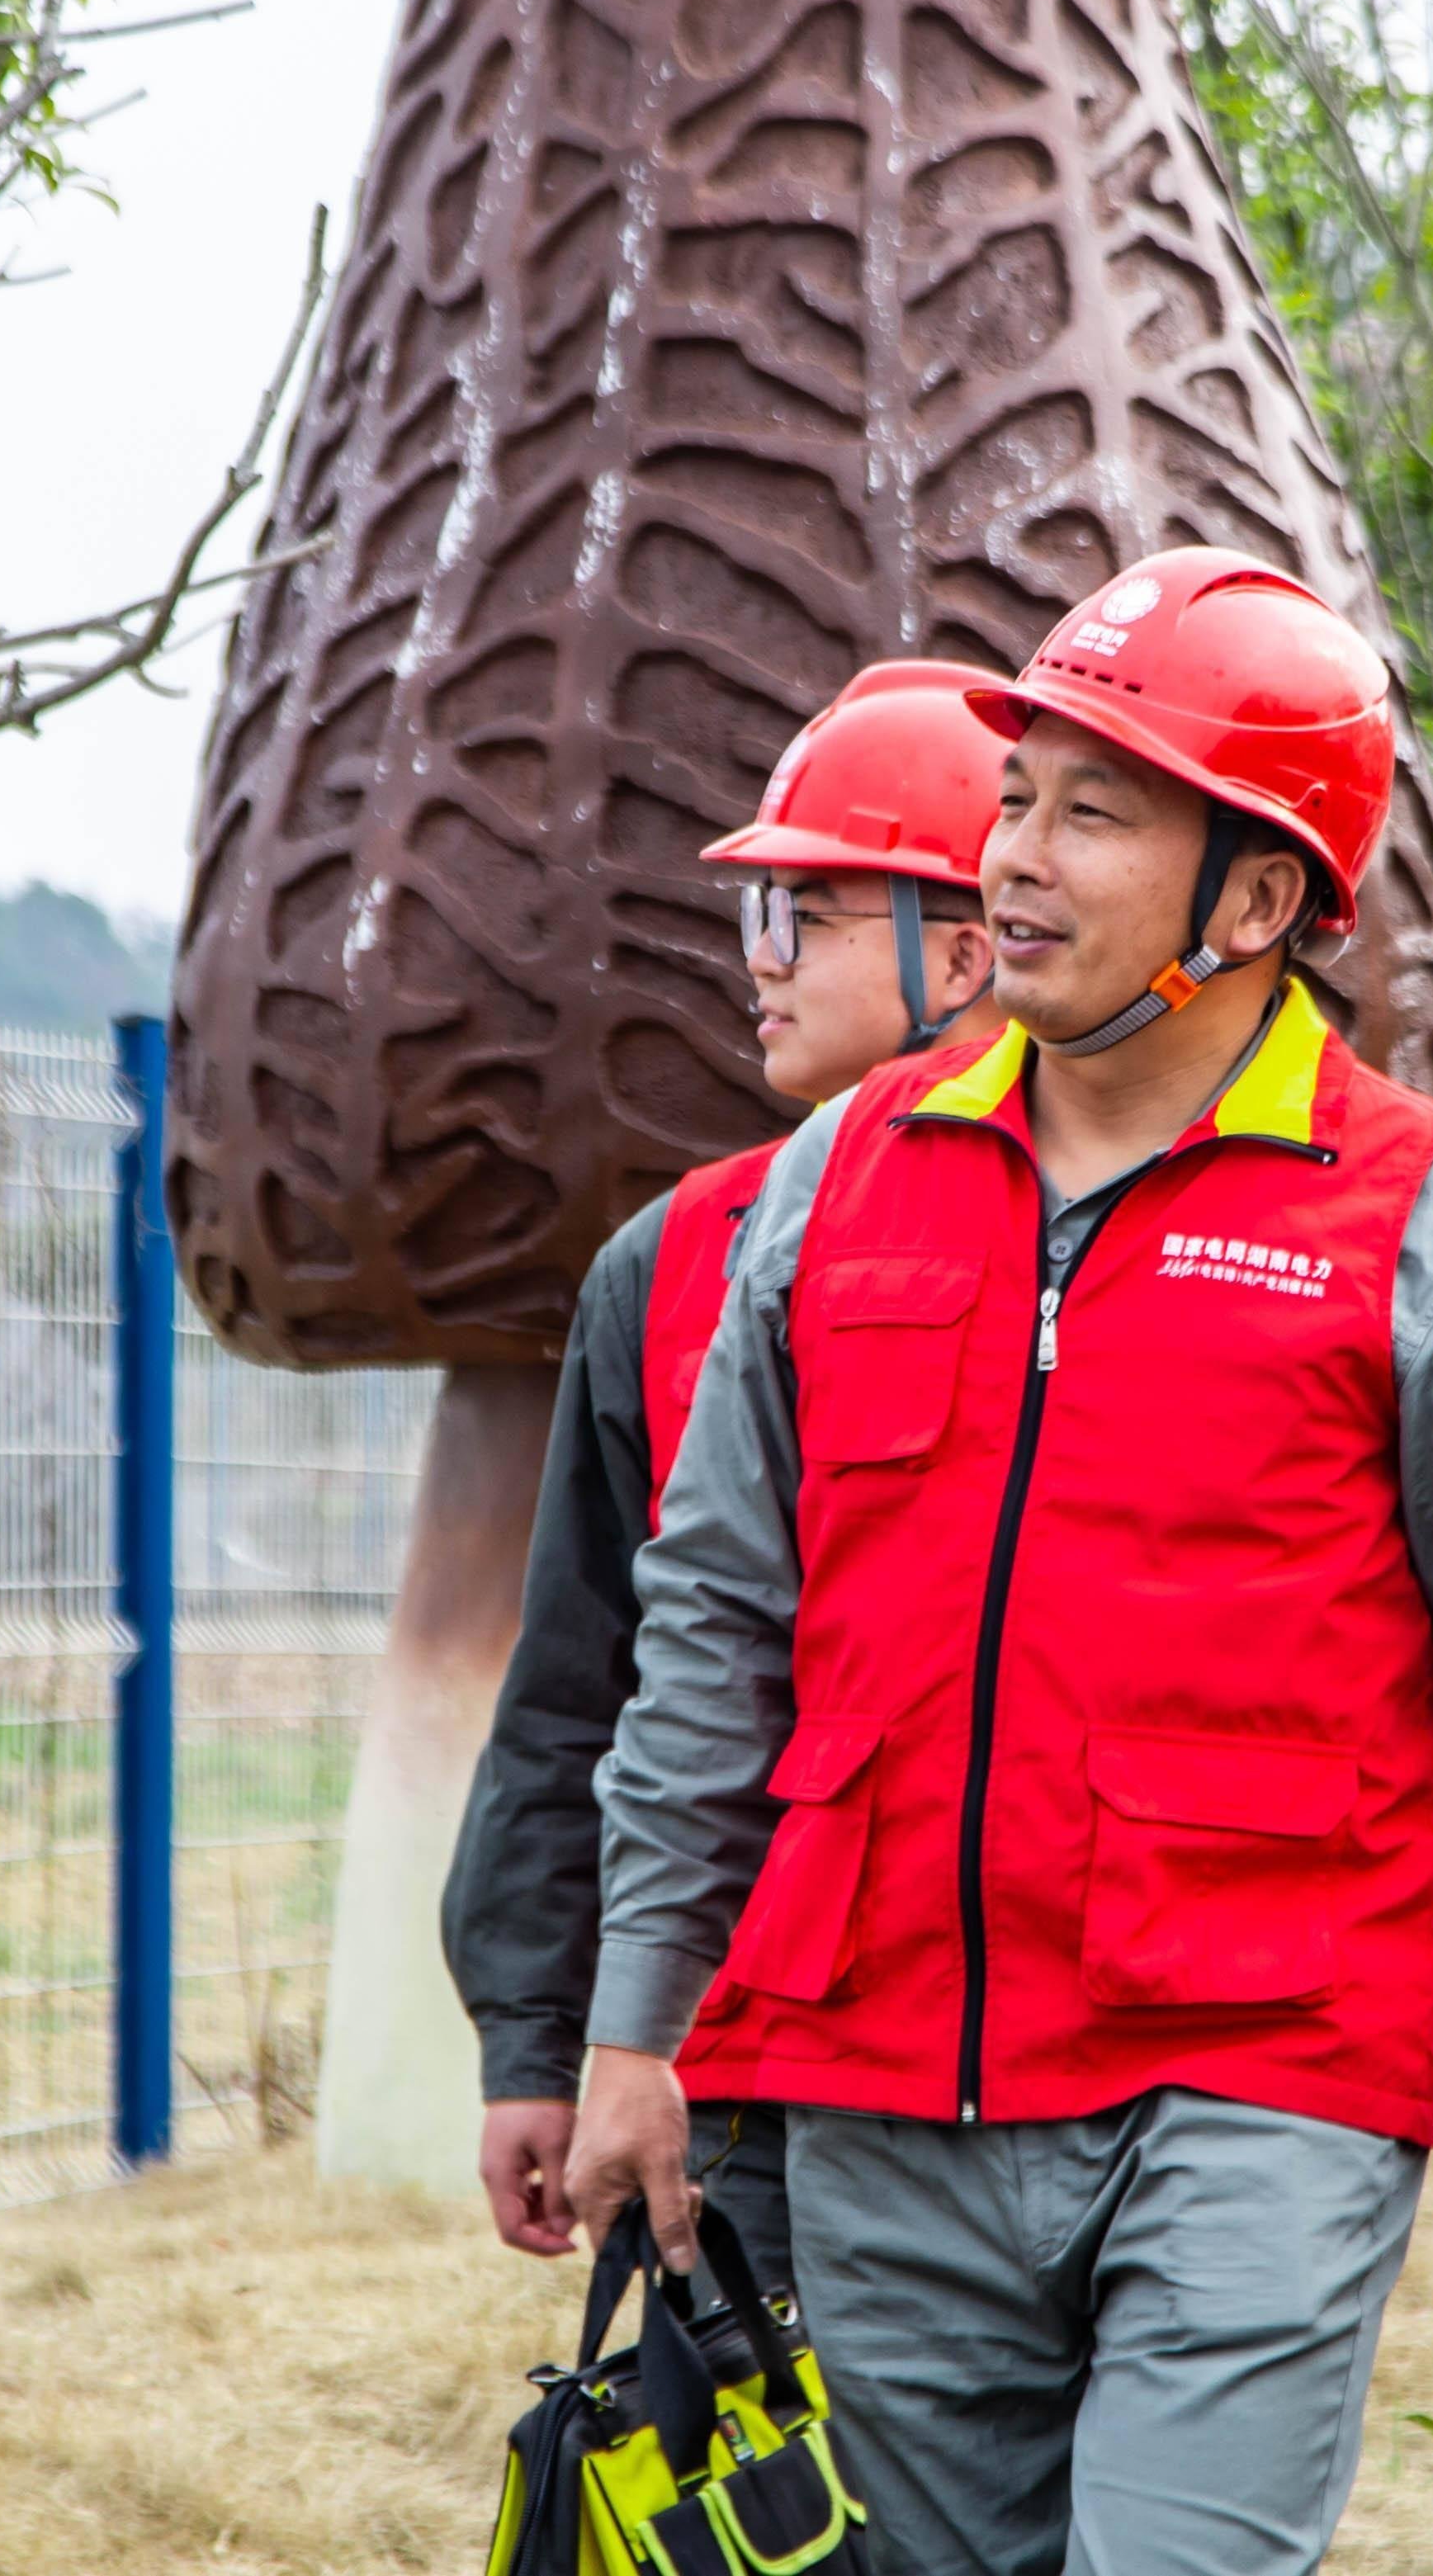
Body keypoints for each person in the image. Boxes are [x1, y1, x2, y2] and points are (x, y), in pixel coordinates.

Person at [560, 547, 1433, 2576]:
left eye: (1091, 814)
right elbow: (711, 1642)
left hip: (1259, 2085)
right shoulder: (845, 1182)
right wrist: (629, 2026)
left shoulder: (1415, 1215)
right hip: (884, 2091)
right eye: (1013, 797)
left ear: (1262, 899)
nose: (1012, 860)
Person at [440, 661, 1010, 2287]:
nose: (752, 969)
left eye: (803, 918)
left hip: (1045, 2061)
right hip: (720, 2057)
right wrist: (541, 2038)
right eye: (752, 920)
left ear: (964, 950)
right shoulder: (669, 1263)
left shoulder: (1133, 1252)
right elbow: (577, 1683)